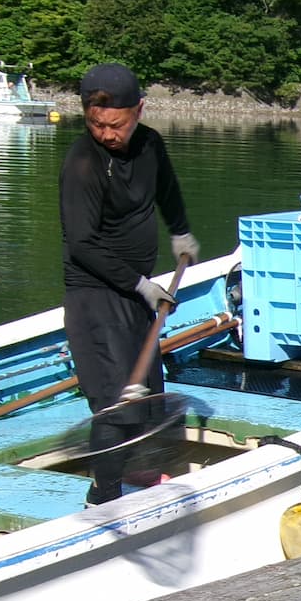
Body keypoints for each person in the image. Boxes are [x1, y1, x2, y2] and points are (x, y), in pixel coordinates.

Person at [59, 63, 198, 504]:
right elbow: (81, 244)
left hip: (137, 293)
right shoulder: (83, 163)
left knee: (147, 396)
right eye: (96, 124)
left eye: (115, 125)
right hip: (95, 297)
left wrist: (179, 231)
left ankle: (141, 476)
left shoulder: (150, 145)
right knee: (116, 405)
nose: (106, 134)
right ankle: (103, 498)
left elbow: (168, 189)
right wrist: (141, 285)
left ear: (138, 110)